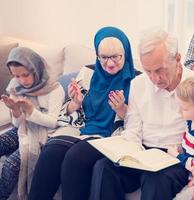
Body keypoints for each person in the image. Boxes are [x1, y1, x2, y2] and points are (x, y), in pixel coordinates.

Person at [88, 29, 194, 200]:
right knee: (103, 168)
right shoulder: (138, 84)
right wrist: (127, 153)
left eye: (160, 70)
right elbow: (133, 127)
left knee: (156, 179)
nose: (155, 79)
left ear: (178, 59)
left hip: (176, 157)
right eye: (148, 71)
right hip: (143, 153)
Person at [28, 26, 136, 200]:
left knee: (75, 158)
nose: (109, 63)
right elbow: (68, 112)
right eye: (104, 57)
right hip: (80, 129)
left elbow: (139, 123)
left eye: (116, 57)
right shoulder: (87, 73)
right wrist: (75, 103)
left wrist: (122, 110)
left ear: (126, 54)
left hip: (111, 137)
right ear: (97, 56)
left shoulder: (136, 81)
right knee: (51, 153)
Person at [0, 47, 65, 199]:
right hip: (22, 129)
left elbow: (53, 122)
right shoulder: (15, 85)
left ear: (36, 68)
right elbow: (17, 125)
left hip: (43, 135)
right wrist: (15, 111)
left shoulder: (55, 89)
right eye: (17, 76)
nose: (22, 81)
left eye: (26, 75)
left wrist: (31, 111)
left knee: (11, 165)